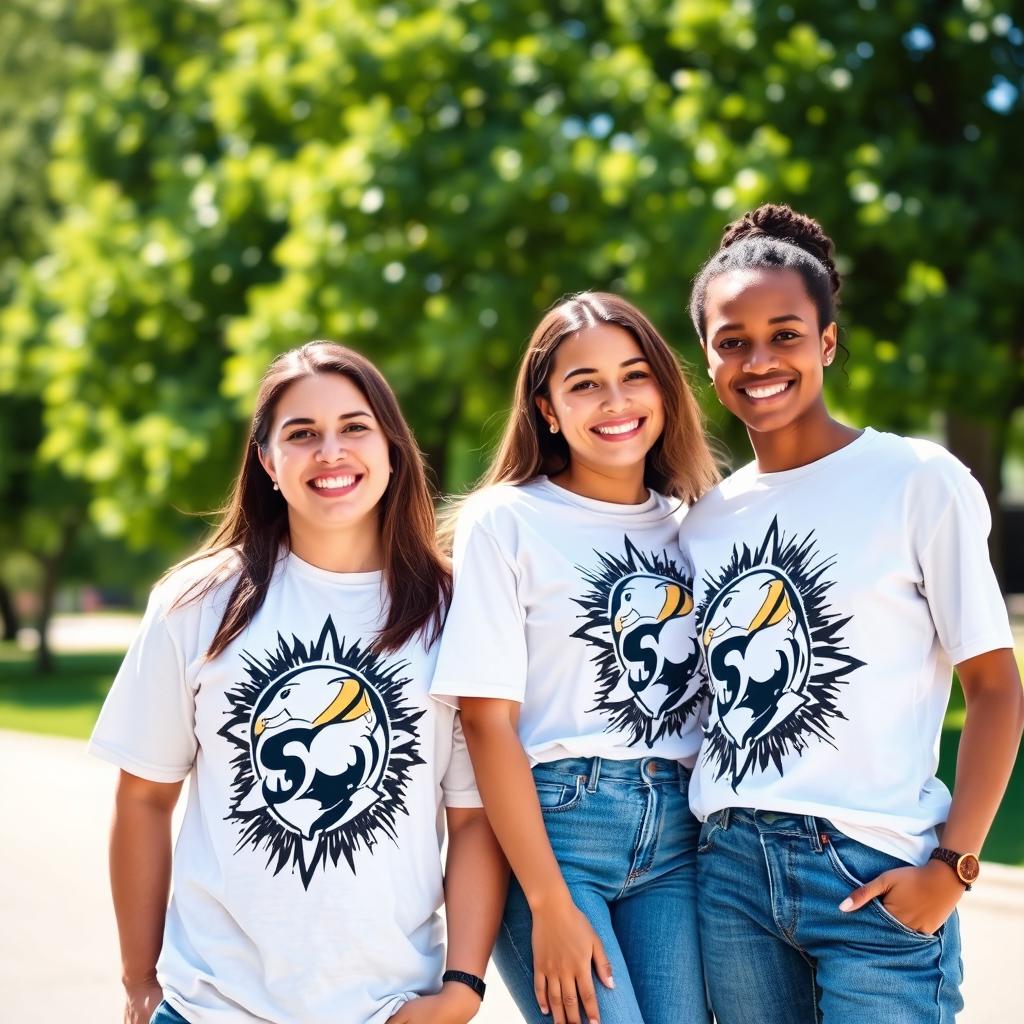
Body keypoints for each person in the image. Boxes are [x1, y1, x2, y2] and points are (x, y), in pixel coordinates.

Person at [89, 342, 506, 1024]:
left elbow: (473, 820)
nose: (330, 452)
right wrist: (140, 981)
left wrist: (460, 991)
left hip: (391, 1008)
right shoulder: (196, 603)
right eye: (302, 434)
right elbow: (142, 799)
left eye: (354, 427)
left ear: (393, 448)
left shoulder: (455, 610)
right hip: (210, 1007)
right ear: (266, 462)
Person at [682, 203, 1024, 1024]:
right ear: (707, 357)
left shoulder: (917, 479)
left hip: (871, 869)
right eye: (733, 341)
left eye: (786, 334)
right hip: (730, 873)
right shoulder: (703, 522)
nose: (759, 359)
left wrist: (954, 867)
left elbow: (996, 689)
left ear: (828, 343)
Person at [431, 292, 719, 1024]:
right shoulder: (508, 520)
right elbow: (486, 723)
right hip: (559, 832)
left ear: (664, 387)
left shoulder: (698, 525)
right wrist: (546, 901)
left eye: (634, 375)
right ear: (548, 409)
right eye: (584, 383)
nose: (614, 401)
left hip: (679, 840)